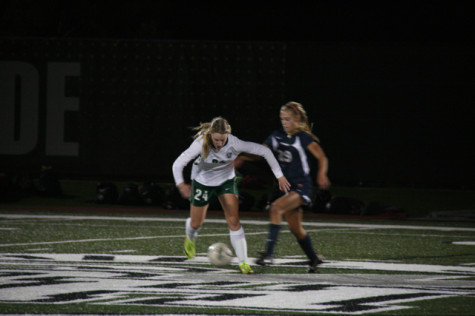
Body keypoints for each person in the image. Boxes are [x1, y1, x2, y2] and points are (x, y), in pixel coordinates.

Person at [172, 117, 290, 274]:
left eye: (222, 139)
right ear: (211, 134)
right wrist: (181, 184)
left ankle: (243, 263)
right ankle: (190, 238)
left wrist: (279, 176)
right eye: (216, 139)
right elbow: (178, 163)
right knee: (196, 223)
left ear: (228, 135)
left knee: (234, 221)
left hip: (226, 182)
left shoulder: (235, 143)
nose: (219, 143)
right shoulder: (201, 143)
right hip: (202, 181)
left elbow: (265, 151)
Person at [255, 101, 331, 273]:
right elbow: (262, 150)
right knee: (296, 229)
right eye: (282, 119)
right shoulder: (277, 136)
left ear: (297, 119)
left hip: (301, 186)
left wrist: (321, 174)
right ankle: (313, 259)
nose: (284, 123)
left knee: (275, 209)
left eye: (288, 119)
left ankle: (268, 254)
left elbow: (322, 157)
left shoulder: (302, 138)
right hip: (287, 188)